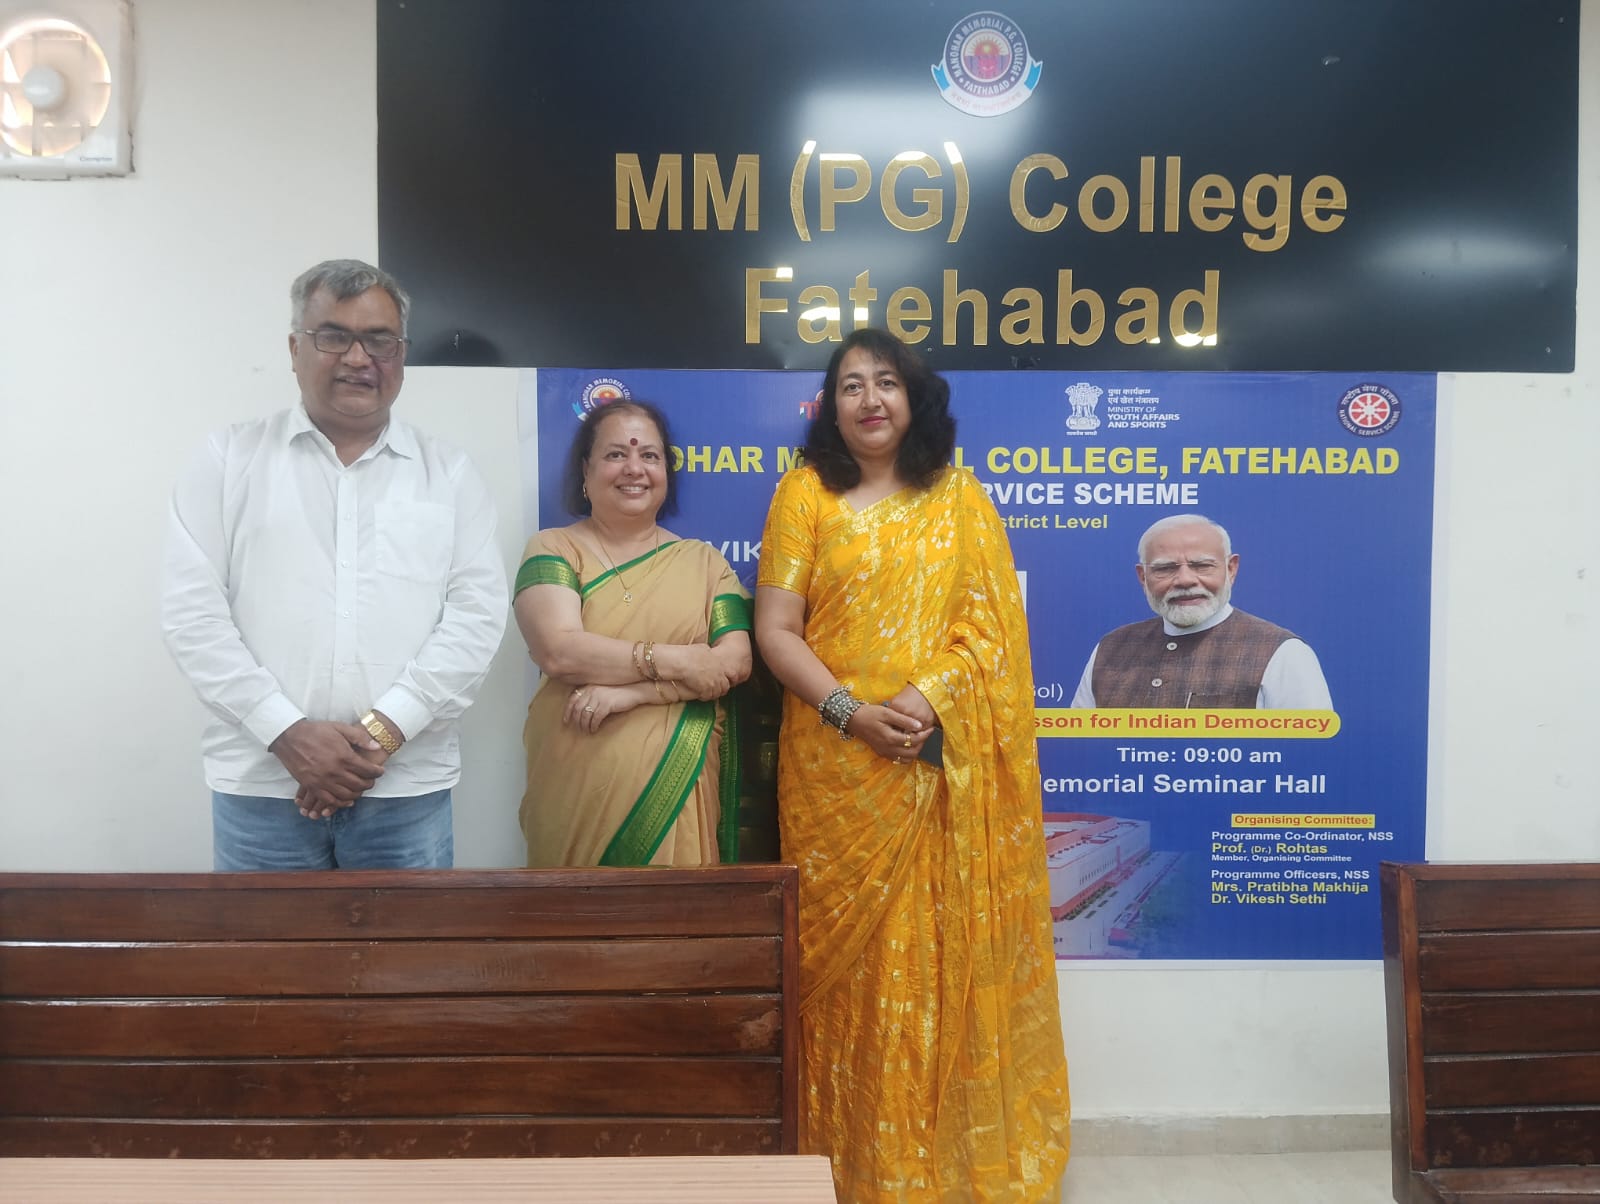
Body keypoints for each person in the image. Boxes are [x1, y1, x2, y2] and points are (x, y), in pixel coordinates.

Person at [754, 329, 1070, 1203]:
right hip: (832, 768)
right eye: (850, 385)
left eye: (885, 381)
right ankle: (843, 1161)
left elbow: (992, 635)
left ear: (913, 397)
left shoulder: (959, 498)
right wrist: (850, 714)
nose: (869, 399)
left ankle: (938, 1161)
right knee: (843, 969)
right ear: (830, 407)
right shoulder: (804, 493)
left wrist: (928, 696)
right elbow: (775, 631)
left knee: (936, 953)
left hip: (931, 761)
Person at [161, 259, 508, 870]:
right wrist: (286, 733)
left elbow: (476, 619)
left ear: (401, 355)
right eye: (333, 336)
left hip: (404, 790)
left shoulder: (448, 474)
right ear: (295, 349)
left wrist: (382, 733)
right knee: (265, 941)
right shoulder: (228, 460)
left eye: (379, 340)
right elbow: (193, 616)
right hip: (262, 787)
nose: (357, 358)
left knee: (409, 940)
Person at [514, 400, 752, 866]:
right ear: (585, 471)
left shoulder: (705, 564)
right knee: (577, 910)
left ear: (666, 472)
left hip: (679, 785)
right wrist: (683, 660)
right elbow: (559, 650)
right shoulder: (553, 548)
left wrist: (633, 695)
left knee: (674, 910)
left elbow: (735, 663)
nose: (634, 469)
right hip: (573, 786)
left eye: (649, 456)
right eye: (616, 454)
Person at [1071, 513, 1332, 709]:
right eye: (1165, 568)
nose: (1185, 580)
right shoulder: (1111, 648)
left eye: (1202, 566)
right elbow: (1080, 751)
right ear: (1143, 577)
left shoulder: (1282, 652)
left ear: (1231, 569)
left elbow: (1307, 759)